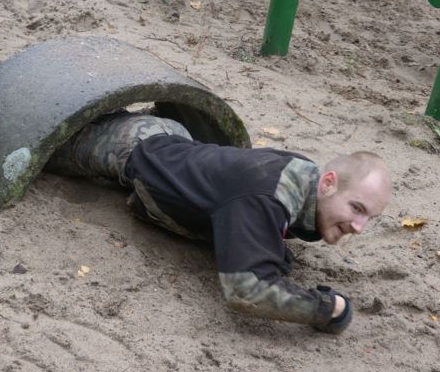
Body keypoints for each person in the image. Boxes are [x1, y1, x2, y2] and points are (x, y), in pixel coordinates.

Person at [46, 112, 392, 334]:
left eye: (369, 218)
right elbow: (246, 290)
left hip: (172, 145)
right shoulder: (267, 198)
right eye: (356, 208)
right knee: (43, 147)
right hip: (133, 145)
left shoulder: (303, 176)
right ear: (328, 183)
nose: (359, 227)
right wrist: (328, 308)